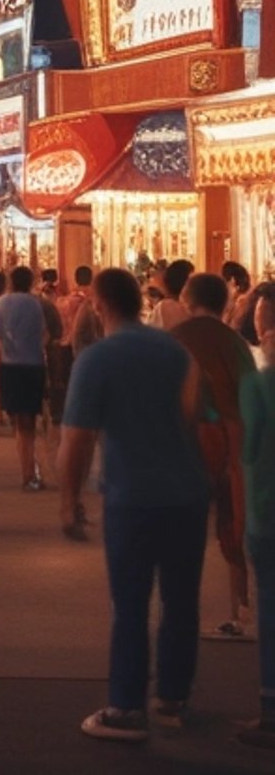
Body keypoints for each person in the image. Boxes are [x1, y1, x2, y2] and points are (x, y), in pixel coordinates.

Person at [60, 266, 208, 744]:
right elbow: (192, 418)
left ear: (100, 303)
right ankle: (173, 696)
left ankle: (126, 707)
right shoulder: (176, 351)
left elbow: (77, 439)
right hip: (186, 491)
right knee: (181, 599)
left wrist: (69, 502)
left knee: (130, 604)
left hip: (132, 494)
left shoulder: (97, 359)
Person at [174, 271, 256, 644]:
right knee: (233, 523)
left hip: (188, 443)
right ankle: (239, 608)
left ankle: (181, 609)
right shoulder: (235, 342)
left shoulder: (177, 340)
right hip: (235, 440)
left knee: (184, 529)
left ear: (187, 300)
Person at [237, 289, 275, 751]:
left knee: (269, 603)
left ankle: (270, 708)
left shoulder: (258, 384)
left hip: (267, 508)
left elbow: (246, 448)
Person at [0, 265, 53, 492]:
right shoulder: (36, 304)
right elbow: (44, 334)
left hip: (10, 365)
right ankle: (31, 470)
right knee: (29, 421)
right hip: (33, 364)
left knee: (19, 422)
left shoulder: (0, 304)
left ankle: (27, 470)